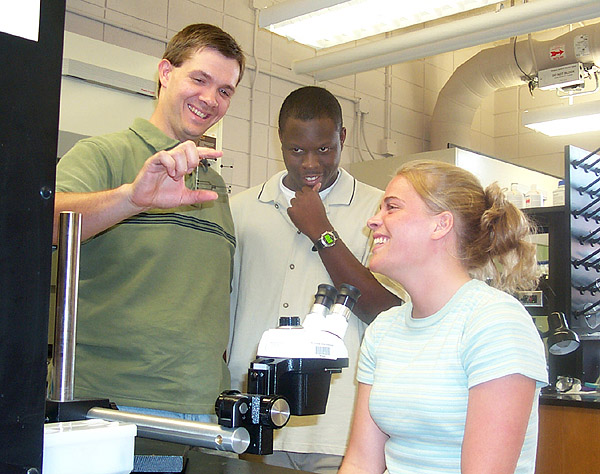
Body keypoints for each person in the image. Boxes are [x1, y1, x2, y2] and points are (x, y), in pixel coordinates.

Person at [53, 23, 245, 421]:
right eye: (199, 79)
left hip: (204, 407)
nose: (210, 99)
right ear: (165, 72)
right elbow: (37, 226)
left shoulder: (216, 187)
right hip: (112, 405)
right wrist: (131, 199)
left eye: (225, 90)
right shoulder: (103, 155)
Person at [228, 86, 403, 473]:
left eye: (324, 149)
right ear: (281, 142)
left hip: (340, 427)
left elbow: (390, 313)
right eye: (296, 150)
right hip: (256, 419)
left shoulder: (378, 210)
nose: (310, 163)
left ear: (342, 137)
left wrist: (321, 231)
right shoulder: (240, 210)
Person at [339, 160, 549, 474]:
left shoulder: (495, 323)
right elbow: (360, 462)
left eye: (391, 208)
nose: (373, 221)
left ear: (440, 225)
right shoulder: (383, 330)